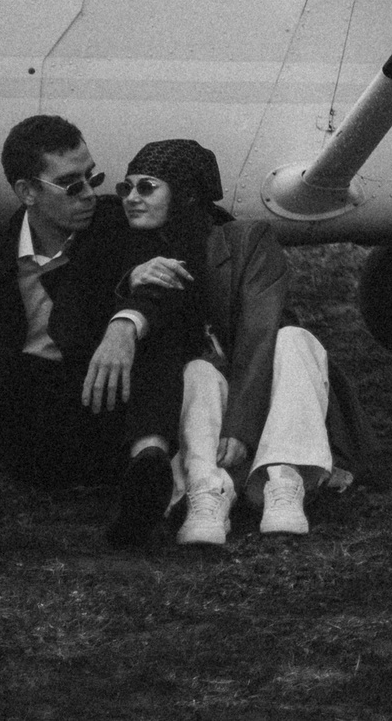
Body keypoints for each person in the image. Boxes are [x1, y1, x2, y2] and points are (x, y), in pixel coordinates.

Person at [0, 115, 192, 549]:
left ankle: (149, 468)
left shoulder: (118, 226)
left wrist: (123, 326)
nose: (89, 194)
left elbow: (164, 284)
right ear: (27, 191)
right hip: (35, 433)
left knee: (154, 340)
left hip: (111, 413)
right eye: (71, 185)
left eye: (92, 177)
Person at [115, 139, 375, 547]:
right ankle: (207, 492)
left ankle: (284, 480)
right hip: (203, 419)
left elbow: (259, 333)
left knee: (292, 338)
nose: (131, 198)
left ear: (185, 194)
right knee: (196, 369)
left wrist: (240, 427)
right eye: (125, 187)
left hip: (273, 405)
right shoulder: (133, 253)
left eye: (146, 187)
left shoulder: (246, 240)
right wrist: (129, 286)